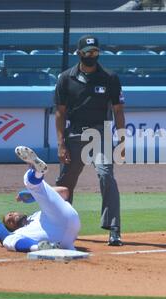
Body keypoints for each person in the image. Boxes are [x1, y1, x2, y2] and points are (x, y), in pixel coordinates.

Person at [54, 34, 126, 246]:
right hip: (74, 134)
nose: (91, 56)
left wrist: (121, 141)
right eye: (87, 52)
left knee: (106, 176)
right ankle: (60, 226)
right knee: (65, 183)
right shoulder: (66, 78)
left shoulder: (110, 77)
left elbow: (119, 111)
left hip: (100, 134)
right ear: (79, 54)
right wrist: (61, 144)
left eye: (94, 52)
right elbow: (60, 113)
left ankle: (114, 229)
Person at [0, 146, 81, 253]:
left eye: (11, 213)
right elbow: (4, 237)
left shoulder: (37, 215)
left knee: (29, 181)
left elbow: (65, 192)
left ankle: (37, 172)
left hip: (62, 217)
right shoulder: (21, 233)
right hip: (63, 240)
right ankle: (39, 247)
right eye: (9, 221)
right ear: (12, 228)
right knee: (8, 240)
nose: (12, 216)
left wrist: (33, 195)